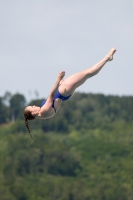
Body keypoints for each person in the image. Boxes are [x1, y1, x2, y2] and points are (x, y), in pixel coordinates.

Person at [24, 48, 116, 137]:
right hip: (63, 91)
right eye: (32, 107)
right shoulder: (43, 111)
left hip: (63, 92)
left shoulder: (43, 116)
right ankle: (107, 58)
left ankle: (107, 59)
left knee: (87, 73)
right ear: (32, 113)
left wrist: (59, 84)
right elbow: (52, 96)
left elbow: (54, 100)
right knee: (88, 72)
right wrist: (58, 79)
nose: (34, 106)